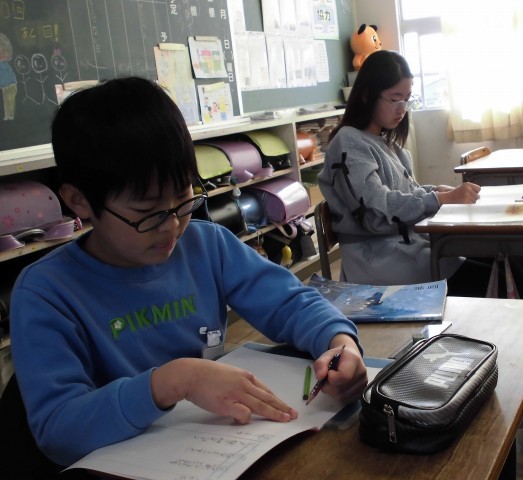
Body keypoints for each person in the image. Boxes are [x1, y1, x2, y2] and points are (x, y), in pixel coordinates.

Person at [6, 77, 368, 473]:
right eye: (147, 213)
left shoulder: (206, 244)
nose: (172, 226)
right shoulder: (46, 292)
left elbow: (289, 303)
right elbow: (59, 430)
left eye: (183, 199)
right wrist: (174, 381)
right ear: (79, 201)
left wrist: (340, 342)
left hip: (218, 455)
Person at [317, 50, 484, 290]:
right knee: (491, 275)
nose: (402, 108)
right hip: (379, 260)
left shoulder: (387, 144)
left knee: (494, 260)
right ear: (367, 95)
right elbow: (375, 212)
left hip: (403, 247)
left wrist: (436, 191)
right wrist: (439, 199)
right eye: (395, 99)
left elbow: (405, 192)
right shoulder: (348, 142)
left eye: (407, 99)